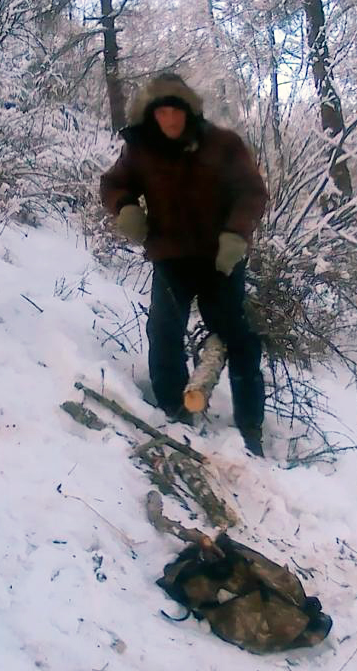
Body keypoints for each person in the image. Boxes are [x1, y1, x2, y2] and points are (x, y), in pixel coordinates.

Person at [99, 73, 269, 456]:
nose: (170, 120)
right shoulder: (141, 149)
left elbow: (252, 193)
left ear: (189, 112)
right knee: (163, 329)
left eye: (176, 112)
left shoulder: (223, 145)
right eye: (162, 113)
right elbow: (112, 183)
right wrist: (125, 206)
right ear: (152, 115)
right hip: (171, 255)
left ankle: (250, 428)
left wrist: (236, 235)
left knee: (237, 339)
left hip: (220, 258)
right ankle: (173, 412)